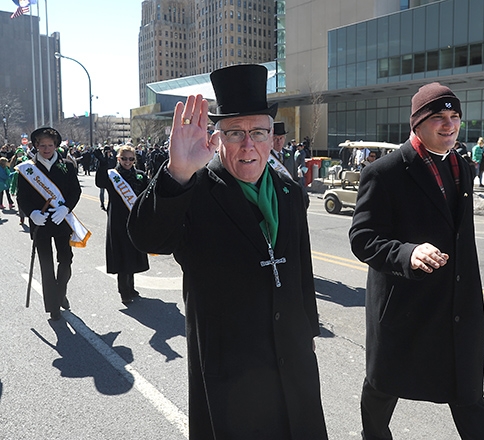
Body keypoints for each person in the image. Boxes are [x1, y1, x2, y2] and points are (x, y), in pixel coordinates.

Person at [127, 64, 328, 440]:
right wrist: (177, 172)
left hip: (292, 356)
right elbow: (146, 238)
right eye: (235, 133)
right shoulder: (195, 186)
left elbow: (302, 265)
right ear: (217, 139)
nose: (248, 145)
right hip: (231, 366)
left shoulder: (288, 190)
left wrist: (306, 331)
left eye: (258, 133)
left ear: (273, 138)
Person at [349, 82, 484, 440]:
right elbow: (362, 239)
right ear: (417, 123)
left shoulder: (462, 168)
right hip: (404, 304)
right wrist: (408, 252)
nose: (449, 125)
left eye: (454, 117)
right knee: (382, 387)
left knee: (467, 393)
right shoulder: (385, 171)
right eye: (438, 117)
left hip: (454, 305)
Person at [16, 127, 89, 321]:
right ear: (36, 146)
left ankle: (60, 292)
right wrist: (31, 213)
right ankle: (53, 306)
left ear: (56, 146)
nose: (46, 149)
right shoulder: (27, 168)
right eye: (42, 145)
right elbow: (21, 196)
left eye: (50, 145)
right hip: (40, 223)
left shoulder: (68, 166)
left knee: (66, 260)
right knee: (46, 264)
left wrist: (65, 208)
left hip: (61, 220)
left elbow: (75, 192)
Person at [95, 145, 150, 304]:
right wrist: (102, 164)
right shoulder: (113, 175)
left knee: (133, 252)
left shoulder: (139, 175)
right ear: (118, 158)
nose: (127, 161)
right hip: (118, 219)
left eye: (131, 159)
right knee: (122, 252)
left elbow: (148, 193)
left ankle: (131, 286)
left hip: (135, 219)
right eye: (124, 158)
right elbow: (100, 182)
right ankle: (123, 290)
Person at [98, 146, 117, 211]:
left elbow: (114, 166)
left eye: (109, 151)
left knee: (111, 192)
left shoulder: (112, 159)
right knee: (102, 191)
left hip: (111, 177)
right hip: (103, 177)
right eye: (107, 152)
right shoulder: (102, 159)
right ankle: (102, 204)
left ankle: (110, 204)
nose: (108, 153)